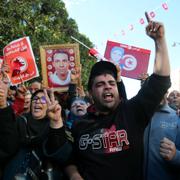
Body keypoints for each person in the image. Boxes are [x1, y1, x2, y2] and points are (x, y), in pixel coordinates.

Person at [44, 14, 171, 180]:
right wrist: (74, 175)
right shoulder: (79, 124)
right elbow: (67, 158)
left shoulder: (133, 111)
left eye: (111, 83)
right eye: (100, 84)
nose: (107, 87)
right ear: (90, 93)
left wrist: (159, 40)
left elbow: (160, 81)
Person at [1, 88, 72, 179]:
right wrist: (3, 105)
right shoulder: (19, 122)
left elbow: (63, 156)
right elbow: (6, 142)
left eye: (43, 99)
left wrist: (55, 122)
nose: (37, 101)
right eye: (35, 99)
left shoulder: (58, 127)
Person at [144, 92, 180, 180]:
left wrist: (176, 156)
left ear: (166, 92)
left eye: (162, 88)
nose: (158, 90)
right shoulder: (139, 115)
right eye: (154, 88)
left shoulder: (177, 117)